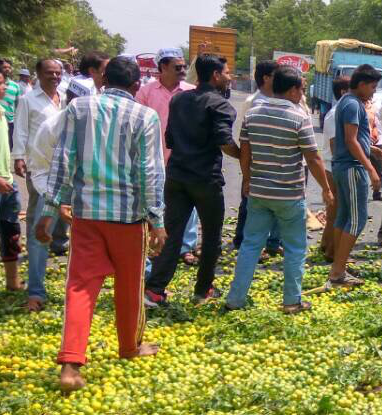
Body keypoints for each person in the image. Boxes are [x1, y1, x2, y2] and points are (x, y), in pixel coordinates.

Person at [35, 57, 166, 393]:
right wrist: (157, 220)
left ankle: (71, 364)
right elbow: (150, 172)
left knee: (80, 287)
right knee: (130, 285)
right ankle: (129, 347)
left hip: (87, 216)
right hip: (128, 218)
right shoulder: (145, 116)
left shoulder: (79, 108)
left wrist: (49, 210)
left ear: (103, 79)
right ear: (136, 86)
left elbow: (63, 160)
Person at [226, 65, 334, 313]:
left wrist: (247, 179)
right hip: (289, 195)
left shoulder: (253, 114)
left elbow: (245, 151)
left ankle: (235, 299)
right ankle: (291, 301)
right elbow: (313, 158)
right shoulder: (299, 118)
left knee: (251, 245)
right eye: (301, 89)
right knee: (295, 248)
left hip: (259, 192)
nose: (302, 94)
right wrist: (326, 189)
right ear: (293, 90)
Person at [144, 55, 239, 307]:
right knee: (211, 236)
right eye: (226, 73)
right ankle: (203, 289)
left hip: (176, 176)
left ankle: (154, 290)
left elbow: (169, 139)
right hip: (205, 180)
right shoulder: (220, 105)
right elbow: (225, 141)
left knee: (172, 233)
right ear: (215, 75)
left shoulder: (179, 99)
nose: (229, 77)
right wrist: (244, 157)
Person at [136, 48, 200, 265]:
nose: (182, 70)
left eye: (184, 66)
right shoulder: (146, 93)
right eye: (177, 67)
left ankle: (186, 247)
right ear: (163, 67)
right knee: (153, 201)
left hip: (184, 158)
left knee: (188, 203)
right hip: (153, 157)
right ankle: (153, 243)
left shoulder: (191, 91)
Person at [14, 59, 69, 297]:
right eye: (50, 73)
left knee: (62, 209)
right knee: (39, 209)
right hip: (39, 165)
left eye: (58, 73)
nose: (55, 77)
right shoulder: (28, 100)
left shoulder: (66, 96)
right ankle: (37, 246)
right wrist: (19, 156)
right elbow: (20, 129)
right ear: (38, 74)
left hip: (64, 164)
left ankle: (58, 242)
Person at [327, 66, 382, 286]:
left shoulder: (347, 101)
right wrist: (371, 169)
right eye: (372, 87)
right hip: (352, 167)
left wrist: (370, 148)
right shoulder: (352, 104)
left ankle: (337, 266)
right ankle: (338, 271)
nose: (374, 92)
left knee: (343, 216)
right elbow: (351, 140)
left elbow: (354, 138)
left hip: (343, 166)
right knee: (357, 219)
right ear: (361, 84)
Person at [232, 60, 282, 257]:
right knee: (249, 201)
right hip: (256, 160)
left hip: (274, 160)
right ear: (266, 78)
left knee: (274, 202)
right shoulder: (254, 101)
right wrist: (247, 169)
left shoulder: (279, 98)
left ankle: (271, 242)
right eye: (277, 75)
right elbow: (245, 138)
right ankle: (242, 239)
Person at [318, 76, 350, 258]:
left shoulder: (342, 112)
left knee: (334, 212)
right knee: (337, 212)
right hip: (334, 168)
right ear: (344, 92)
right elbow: (335, 145)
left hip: (336, 167)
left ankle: (326, 244)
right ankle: (332, 251)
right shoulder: (336, 114)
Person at [0, 71, 20, 294]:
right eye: (0, 84)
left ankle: (13, 282)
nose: (4, 87)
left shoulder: (3, 112)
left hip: (8, 183)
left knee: (11, 232)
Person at [1, 58, 21, 136]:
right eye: (4, 67)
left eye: (9, 67)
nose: (7, 69)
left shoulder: (15, 86)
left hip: (10, 122)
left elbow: (18, 105)